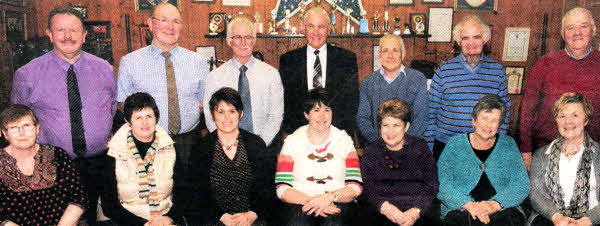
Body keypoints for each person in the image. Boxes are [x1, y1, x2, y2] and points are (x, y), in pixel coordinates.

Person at [10, 7, 116, 224]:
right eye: (60, 30)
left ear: (84, 35)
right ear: (49, 33)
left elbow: (112, 107)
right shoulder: (26, 74)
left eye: (74, 30)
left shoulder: (105, 69)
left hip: (99, 164)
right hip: (51, 167)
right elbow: (17, 123)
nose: (68, 37)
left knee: (101, 220)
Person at [117, 3, 209, 173]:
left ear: (181, 26)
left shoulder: (198, 62)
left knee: (192, 197)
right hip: (148, 144)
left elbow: (205, 102)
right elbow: (123, 106)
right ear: (150, 24)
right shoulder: (129, 63)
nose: (170, 27)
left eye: (176, 21)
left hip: (190, 144)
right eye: (163, 20)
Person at [519, 7, 600, 171]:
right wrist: (525, 149)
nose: (577, 32)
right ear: (563, 34)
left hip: (594, 157)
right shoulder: (545, 64)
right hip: (547, 154)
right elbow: (527, 110)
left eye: (583, 26)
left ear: (593, 30)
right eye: (571, 28)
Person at [185, 87, 277, 225]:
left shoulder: (255, 144)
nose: (227, 117)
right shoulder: (201, 148)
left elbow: (267, 188)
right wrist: (221, 216)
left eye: (232, 111)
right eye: (221, 112)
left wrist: (251, 215)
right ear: (212, 115)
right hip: (215, 219)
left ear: (241, 114)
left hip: (251, 219)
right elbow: (196, 194)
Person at [424, 15, 510, 161]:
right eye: (465, 38)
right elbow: (430, 114)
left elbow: (504, 113)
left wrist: (497, 145)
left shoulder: (497, 71)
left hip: (484, 147)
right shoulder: (444, 71)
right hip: (447, 146)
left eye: (476, 37)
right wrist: (429, 149)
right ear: (458, 42)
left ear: (485, 39)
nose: (471, 43)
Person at [275, 87, 363, 225]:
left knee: (335, 223)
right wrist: (314, 202)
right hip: (299, 202)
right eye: (316, 110)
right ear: (306, 114)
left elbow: (355, 185)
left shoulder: (345, 140)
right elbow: (282, 187)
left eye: (327, 110)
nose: (322, 116)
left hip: (337, 201)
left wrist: (329, 197)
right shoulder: (292, 141)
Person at [437, 95, 528, 226]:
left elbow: (521, 185)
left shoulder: (508, 145)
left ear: (499, 125)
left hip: (502, 208)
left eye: (494, 120)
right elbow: (442, 184)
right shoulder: (455, 144)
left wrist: (495, 204)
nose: (488, 125)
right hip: (461, 208)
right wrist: (468, 205)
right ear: (473, 121)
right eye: (484, 118)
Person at [97, 92, 183, 225]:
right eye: (138, 118)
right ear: (128, 122)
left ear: (156, 119)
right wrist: (144, 224)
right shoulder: (112, 153)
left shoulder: (171, 149)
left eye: (149, 116)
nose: (145, 123)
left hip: (164, 219)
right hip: (124, 221)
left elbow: (183, 193)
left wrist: (168, 218)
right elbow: (110, 206)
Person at [0, 104, 88, 225]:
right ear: (5, 134)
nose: (22, 133)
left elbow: (79, 197)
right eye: (14, 128)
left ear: (37, 129)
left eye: (27, 126)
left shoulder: (58, 156)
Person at [279, 6, 359, 137]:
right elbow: (287, 103)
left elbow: (351, 102)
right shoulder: (288, 60)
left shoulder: (347, 59)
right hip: (300, 134)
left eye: (321, 27)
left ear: (328, 29)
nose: (316, 32)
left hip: (337, 134)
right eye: (311, 26)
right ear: (304, 29)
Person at [204, 16, 283, 146]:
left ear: (254, 40)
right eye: (238, 37)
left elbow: (275, 116)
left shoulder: (271, 75)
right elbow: (210, 116)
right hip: (226, 147)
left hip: (263, 145)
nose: (243, 43)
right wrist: (227, 143)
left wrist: (259, 145)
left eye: (248, 37)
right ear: (229, 41)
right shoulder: (215, 77)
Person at [360, 98, 438, 226]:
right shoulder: (371, 150)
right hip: (382, 211)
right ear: (380, 127)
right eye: (385, 125)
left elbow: (432, 185)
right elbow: (368, 188)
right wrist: (385, 208)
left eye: (396, 125)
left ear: (406, 127)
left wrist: (415, 211)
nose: (390, 131)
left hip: (416, 212)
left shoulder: (420, 147)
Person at [529, 93, 600, 226]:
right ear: (556, 120)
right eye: (562, 116)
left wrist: (585, 222)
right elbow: (536, 195)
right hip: (550, 218)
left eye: (575, 115)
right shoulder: (540, 155)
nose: (568, 121)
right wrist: (557, 218)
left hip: (592, 220)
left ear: (586, 120)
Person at [357, 34, 428, 144]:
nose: (390, 55)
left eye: (395, 50)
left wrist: (401, 145)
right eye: (385, 51)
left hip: (408, 147)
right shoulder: (368, 82)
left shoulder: (418, 79)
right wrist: (379, 143)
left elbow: (421, 118)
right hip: (376, 147)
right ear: (379, 55)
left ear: (403, 54)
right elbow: (363, 118)